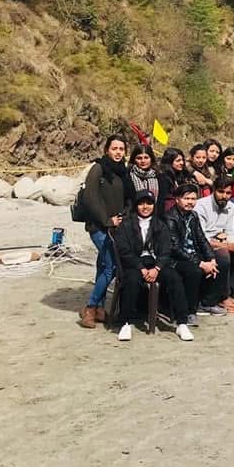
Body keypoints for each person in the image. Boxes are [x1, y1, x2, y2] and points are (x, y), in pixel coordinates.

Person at [114, 190, 194, 342]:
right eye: (141, 203)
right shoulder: (127, 225)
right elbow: (124, 251)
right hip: (135, 264)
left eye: (149, 203)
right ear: (136, 205)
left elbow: (166, 250)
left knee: (174, 278)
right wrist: (141, 268)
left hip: (155, 263)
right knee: (131, 280)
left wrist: (157, 268)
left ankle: (182, 323)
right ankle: (126, 322)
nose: (145, 207)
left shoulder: (160, 224)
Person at [79, 133, 134, 329]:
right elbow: (90, 197)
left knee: (103, 266)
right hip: (99, 226)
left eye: (121, 149)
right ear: (106, 150)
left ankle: (100, 308)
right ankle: (90, 307)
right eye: (114, 148)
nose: (118, 152)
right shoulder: (98, 168)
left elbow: (128, 198)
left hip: (117, 226)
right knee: (111, 266)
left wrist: (124, 216)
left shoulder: (123, 172)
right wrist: (106, 219)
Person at [193, 175, 234, 313]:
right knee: (223, 255)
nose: (224, 196)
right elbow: (201, 238)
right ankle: (213, 299)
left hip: (221, 241)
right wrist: (227, 246)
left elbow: (230, 231)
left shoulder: (231, 206)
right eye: (221, 192)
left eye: (228, 193)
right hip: (202, 244)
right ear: (214, 190)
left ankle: (226, 292)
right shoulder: (201, 206)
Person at [161, 182, 221, 327]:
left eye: (193, 199)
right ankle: (189, 311)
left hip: (192, 253)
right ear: (177, 199)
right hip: (174, 259)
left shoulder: (193, 215)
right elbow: (175, 248)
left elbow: (201, 239)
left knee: (220, 261)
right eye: (186, 198)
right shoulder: (170, 218)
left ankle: (206, 302)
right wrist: (201, 263)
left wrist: (211, 258)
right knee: (194, 270)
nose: (190, 202)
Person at [157, 147, 190, 212]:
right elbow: (163, 200)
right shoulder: (163, 177)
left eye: (182, 160)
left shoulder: (182, 175)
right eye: (178, 161)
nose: (182, 163)